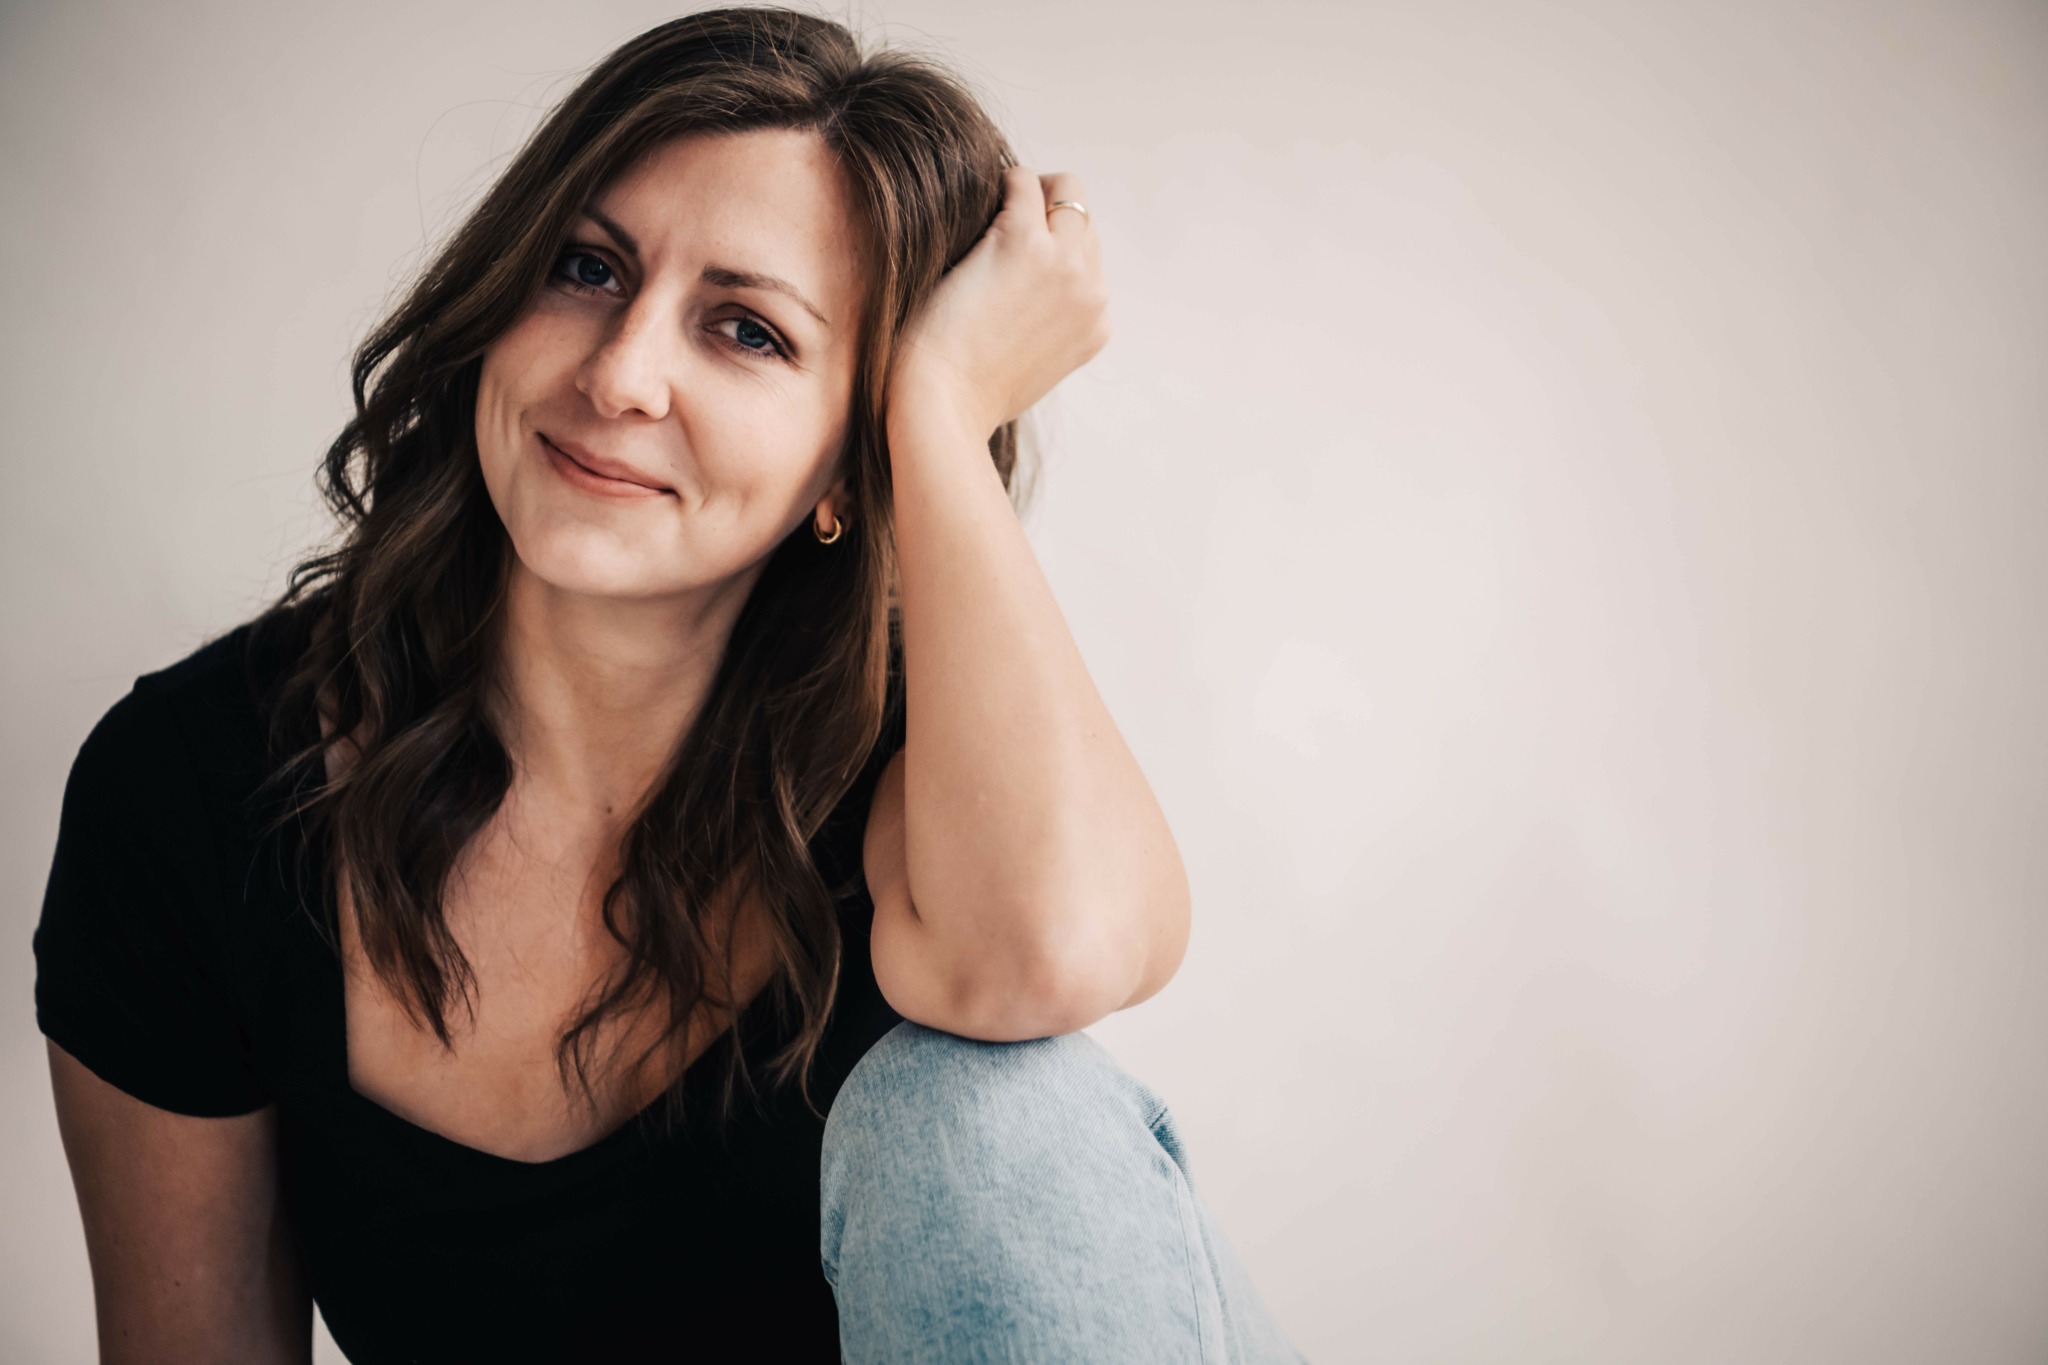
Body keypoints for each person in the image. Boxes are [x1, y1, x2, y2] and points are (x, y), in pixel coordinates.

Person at [33, 8, 1307, 1362]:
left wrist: (938, 409)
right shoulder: (195, 787)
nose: (620, 373)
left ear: (851, 462)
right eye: (587, 267)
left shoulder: (923, 778)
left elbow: (1047, 954)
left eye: (747, 331)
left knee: (992, 1109)